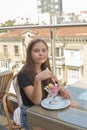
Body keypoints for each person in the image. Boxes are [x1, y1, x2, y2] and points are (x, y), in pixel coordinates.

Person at [17, 38, 71, 130]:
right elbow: (36, 101)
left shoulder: (44, 68)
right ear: (29, 54)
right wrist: (38, 79)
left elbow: (56, 84)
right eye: (36, 51)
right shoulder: (23, 75)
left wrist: (61, 90)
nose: (41, 53)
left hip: (44, 109)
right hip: (30, 113)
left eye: (44, 50)